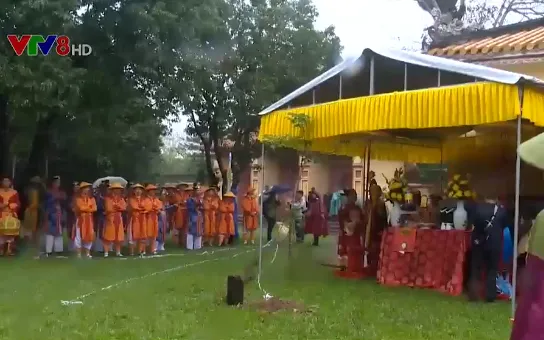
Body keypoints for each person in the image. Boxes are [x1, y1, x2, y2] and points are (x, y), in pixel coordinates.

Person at [466, 193, 507, 302]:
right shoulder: (501, 211)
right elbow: (504, 225)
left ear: (485, 198)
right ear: (496, 199)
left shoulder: (477, 209)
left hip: (479, 242)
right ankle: (490, 295)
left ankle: (474, 294)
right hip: (494, 243)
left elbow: (471, 224)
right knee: (492, 270)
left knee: (476, 269)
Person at [337, 189, 365, 274]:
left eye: (355, 195)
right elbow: (341, 220)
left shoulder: (358, 208)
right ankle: (344, 267)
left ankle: (354, 266)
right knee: (344, 250)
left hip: (355, 234)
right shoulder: (344, 208)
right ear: (348, 197)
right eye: (352, 195)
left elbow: (363, 220)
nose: (354, 197)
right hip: (346, 233)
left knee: (354, 250)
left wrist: (356, 223)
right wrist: (348, 226)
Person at [363, 183, 388, 276]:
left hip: (377, 232)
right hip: (368, 230)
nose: (372, 193)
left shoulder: (381, 204)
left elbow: (383, 218)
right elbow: (364, 215)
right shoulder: (368, 203)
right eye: (371, 191)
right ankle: (370, 267)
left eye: (374, 191)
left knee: (376, 250)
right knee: (369, 250)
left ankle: (376, 269)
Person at [43, 176, 67, 257]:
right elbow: (46, 203)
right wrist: (55, 198)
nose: (58, 184)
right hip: (50, 213)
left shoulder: (61, 192)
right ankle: (48, 251)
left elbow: (64, 201)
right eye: (56, 182)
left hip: (59, 213)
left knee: (59, 232)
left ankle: (58, 250)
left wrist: (62, 198)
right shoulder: (48, 192)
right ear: (53, 183)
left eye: (59, 182)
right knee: (50, 232)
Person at [72, 182, 97, 258]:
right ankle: (79, 254)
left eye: (88, 187)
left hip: (89, 220)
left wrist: (86, 208)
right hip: (81, 220)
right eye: (86, 187)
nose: (88, 189)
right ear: (82, 189)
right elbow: (80, 208)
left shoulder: (92, 199)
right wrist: (89, 208)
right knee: (79, 235)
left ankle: (87, 253)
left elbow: (95, 208)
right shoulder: (78, 199)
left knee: (89, 235)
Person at [103, 183, 127, 257]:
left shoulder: (121, 199)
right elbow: (108, 208)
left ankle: (118, 252)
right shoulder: (108, 198)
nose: (117, 191)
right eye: (115, 189)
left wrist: (116, 206)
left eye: (118, 189)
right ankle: (106, 252)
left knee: (118, 236)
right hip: (110, 218)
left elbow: (124, 207)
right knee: (108, 235)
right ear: (112, 190)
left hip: (119, 218)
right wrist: (117, 207)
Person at [128, 183, 150, 256]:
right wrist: (142, 209)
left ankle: (141, 250)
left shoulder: (145, 199)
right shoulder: (131, 199)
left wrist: (142, 209)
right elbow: (134, 206)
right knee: (132, 235)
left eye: (139, 189)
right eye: (136, 189)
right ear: (134, 191)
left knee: (143, 234)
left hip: (143, 218)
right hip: (134, 218)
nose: (138, 191)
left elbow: (147, 207)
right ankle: (132, 252)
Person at [0, 176, 20, 256]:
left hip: (11, 215)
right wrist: (2, 205)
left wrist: (11, 205)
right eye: (4, 181)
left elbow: (18, 203)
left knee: (11, 234)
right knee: (1, 234)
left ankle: (9, 250)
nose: (6, 183)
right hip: (1, 215)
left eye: (7, 181)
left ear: (10, 183)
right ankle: (1, 250)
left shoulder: (14, 192)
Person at [145, 184, 162, 255]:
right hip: (148, 217)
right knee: (147, 233)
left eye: (154, 190)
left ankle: (153, 248)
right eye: (152, 190)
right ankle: (145, 248)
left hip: (154, 217)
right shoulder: (146, 199)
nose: (153, 192)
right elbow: (147, 208)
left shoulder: (156, 199)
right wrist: (154, 208)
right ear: (148, 191)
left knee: (154, 233)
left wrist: (156, 208)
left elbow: (159, 206)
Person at [186, 185, 203, 250]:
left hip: (199, 217)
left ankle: (197, 246)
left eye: (199, 190)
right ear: (194, 191)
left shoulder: (201, 199)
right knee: (191, 231)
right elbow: (190, 208)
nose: (197, 191)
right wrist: (196, 206)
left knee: (199, 231)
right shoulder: (190, 199)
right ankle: (189, 247)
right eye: (196, 190)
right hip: (192, 216)